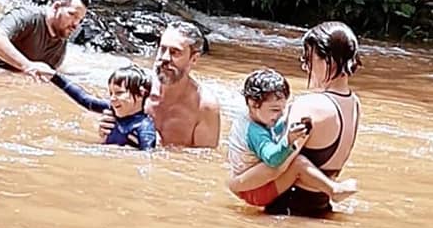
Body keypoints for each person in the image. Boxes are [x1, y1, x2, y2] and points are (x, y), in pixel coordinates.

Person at [229, 21, 361, 215]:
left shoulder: (308, 106)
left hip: (288, 209)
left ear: (328, 61)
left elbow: (277, 167)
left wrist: (235, 184)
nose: (305, 66)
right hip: (321, 207)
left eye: (309, 58)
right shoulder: (354, 104)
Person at [228, 69, 357, 208]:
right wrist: (288, 141)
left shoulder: (251, 117)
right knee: (297, 163)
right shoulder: (254, 132)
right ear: (253, 104)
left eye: (283, 109)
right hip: (255, 191)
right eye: (275, 110)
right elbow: (272, 160)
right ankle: (333, 190)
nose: (280, 115)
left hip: (247, 185)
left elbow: (273, 129)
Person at [98, 20, 220, 147]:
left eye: (175, 52)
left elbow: (202, 162)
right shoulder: (136, 88)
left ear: (193, 59)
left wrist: (157, 149)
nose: (165, 58)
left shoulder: (204, 107)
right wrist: (105, 132)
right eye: (162, 49)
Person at [52, 65, 156, 150]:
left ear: (140, 94)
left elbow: (148, 158)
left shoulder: (144, 128)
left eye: (119, 93)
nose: (113, 98)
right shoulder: (112, 109)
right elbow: (85, 99)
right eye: (111, 93)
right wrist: (53, 76)